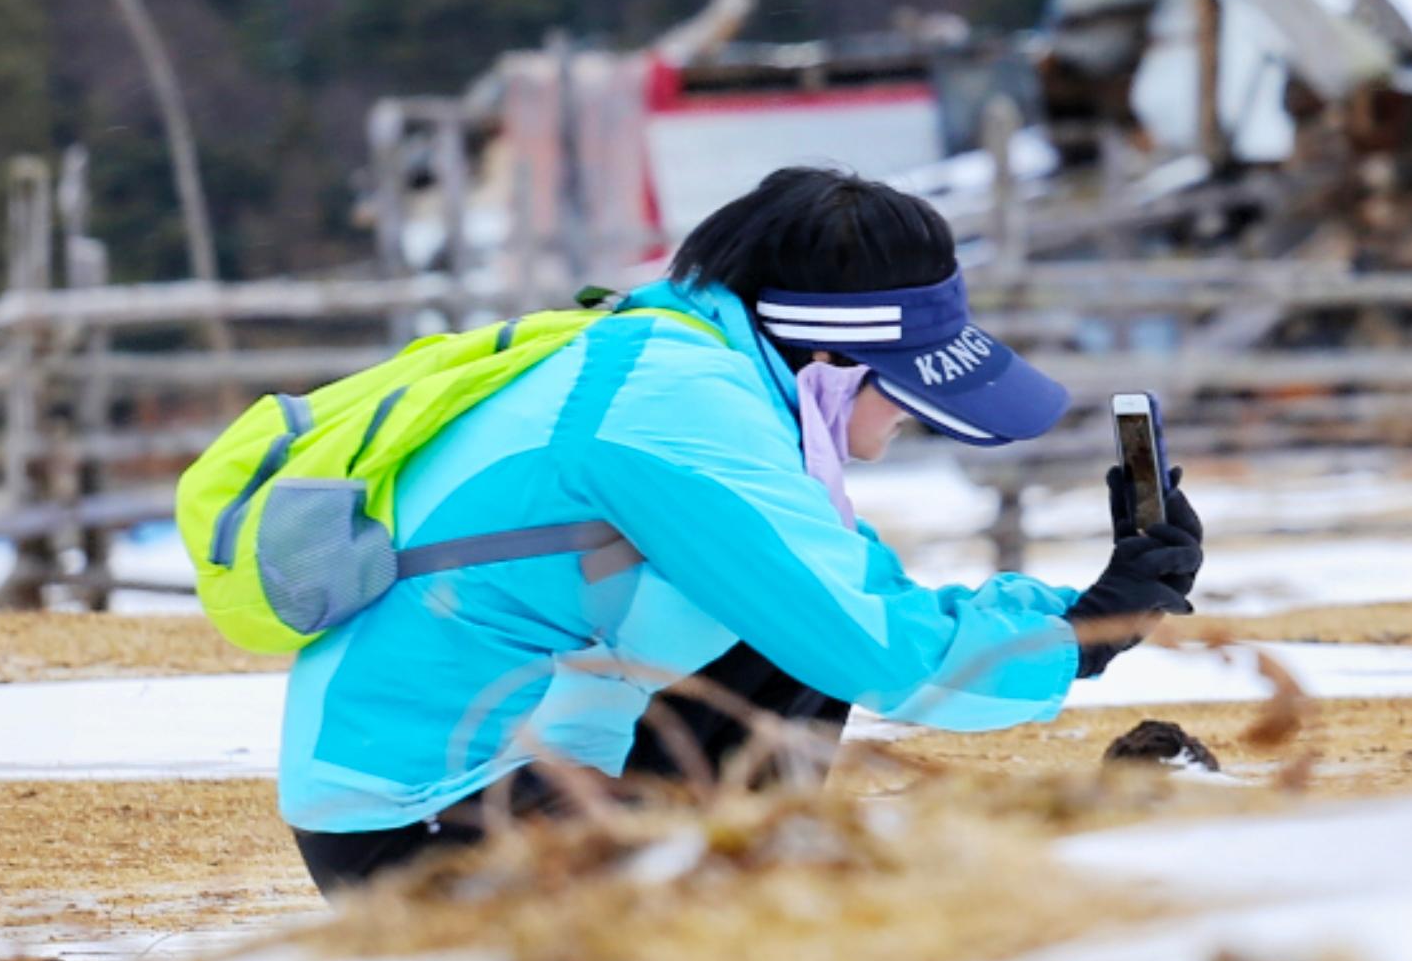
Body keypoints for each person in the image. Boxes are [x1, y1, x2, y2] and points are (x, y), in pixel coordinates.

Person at [275, 165, 1206, 895]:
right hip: (429, 833)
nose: (909, 415)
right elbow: (879, 650)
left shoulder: (676, 364)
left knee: (794, 627)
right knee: (807, 643)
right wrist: (1087, 637)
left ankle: (750, 879)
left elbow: (856, 594)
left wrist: (1085, 613)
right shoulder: (674, 411)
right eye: (907, 385)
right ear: (830, 355)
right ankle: (745, 900)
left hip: (448, 789)